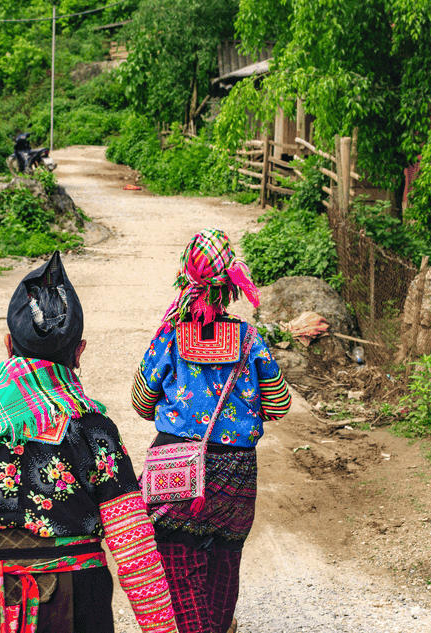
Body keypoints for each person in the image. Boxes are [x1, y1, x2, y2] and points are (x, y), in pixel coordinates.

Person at [0, 251, 179, 633]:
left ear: (9, 345)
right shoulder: (93, 428)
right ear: (79, 352)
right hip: (75, 603)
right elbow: (131, 538)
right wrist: (160, 627)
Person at [130, 229, 292, 633]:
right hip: (236, 470)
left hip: (175, 464)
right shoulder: (251, 339)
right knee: (224, 558)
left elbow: (141, 402)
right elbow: (279, 405)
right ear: (231, 287)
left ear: (186, 280)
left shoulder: (169, 336)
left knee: (178, 560)